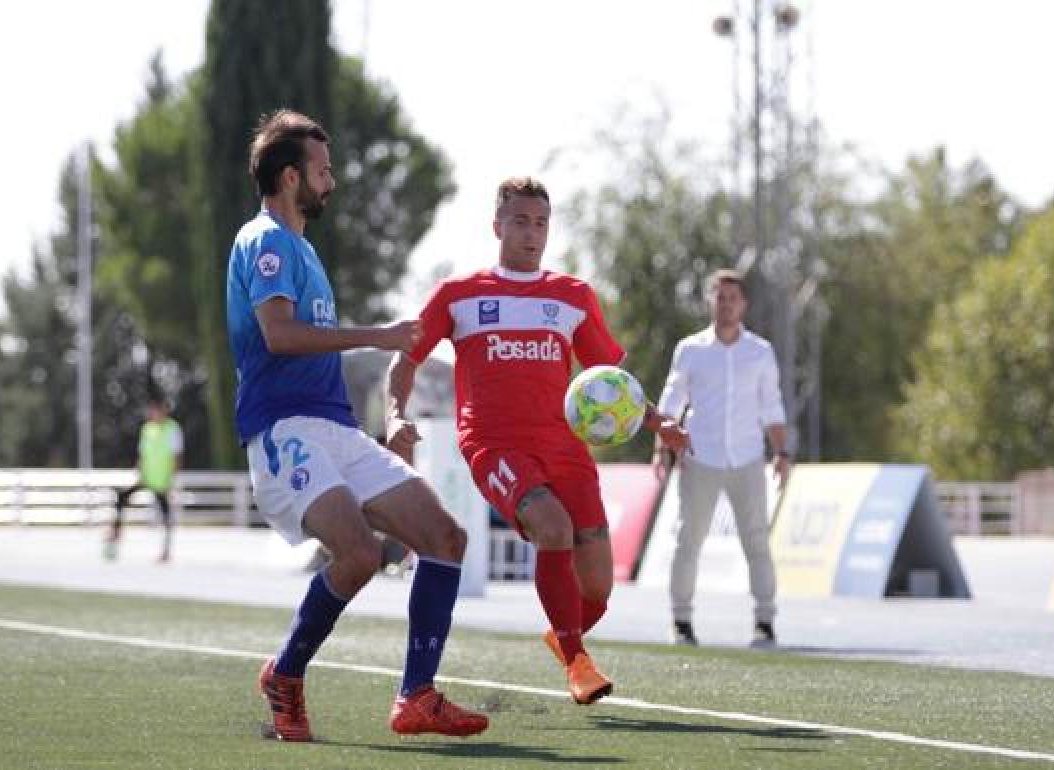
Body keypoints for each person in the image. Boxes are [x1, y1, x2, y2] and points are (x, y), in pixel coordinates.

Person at [226, 109, 487, 742]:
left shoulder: (303, 249)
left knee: (445, 538)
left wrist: (384, 422)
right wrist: (380, 335)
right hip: (284, 431)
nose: (331, 181)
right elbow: (280, 335)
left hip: (335, 429)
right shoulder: (264, 241)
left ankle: (416, 698)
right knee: (361, 555)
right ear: (291, 178)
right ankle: (287, 673)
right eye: (322, 169)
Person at [385, 176, 690, 706]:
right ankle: (577, 661)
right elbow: (405, 357)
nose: (532, 233)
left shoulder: (572, 296)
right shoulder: (459, 295)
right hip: (494, 445)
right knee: (554, 528)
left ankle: (564, 631)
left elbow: (611, 385)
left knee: (596, 588)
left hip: (565, 448)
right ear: (497, 225)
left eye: (542, 223)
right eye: (521, 221)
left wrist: (656, 422)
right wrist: (394, 417)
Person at [653, 268, 789, 647]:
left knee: (757, 541)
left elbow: (772, 406)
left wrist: (782, 452)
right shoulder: (690, 349)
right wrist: (660, 447)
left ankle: (765, 622)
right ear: (709, 301)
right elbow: (671, 401)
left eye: (733, 298)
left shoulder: (759, 351)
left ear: (743, 304)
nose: (726, 304)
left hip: (747, 458)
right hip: (700, 456)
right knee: (688, 540)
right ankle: (681, 621)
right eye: (719, 296)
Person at [105, 395, 182, 563]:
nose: (155, 413)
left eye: (158, 409)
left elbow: (177, 457)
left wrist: (172, 481)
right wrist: (139, 471)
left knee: (166, 515)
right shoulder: (147, 429)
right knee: (121, 497)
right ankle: (116, 534)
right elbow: (142, 454)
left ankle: (166, 551)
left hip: (162, 481)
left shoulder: (172, 429)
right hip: (146, 478)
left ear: (164, 410)